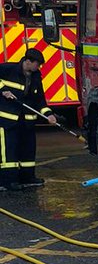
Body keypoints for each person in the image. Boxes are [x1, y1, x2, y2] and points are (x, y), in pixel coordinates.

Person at [0, 48, 58, 190]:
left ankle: (27, 177)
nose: (39, 67)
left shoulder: (36, 76)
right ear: (28, 61)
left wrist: (49, 114)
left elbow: (40, 100)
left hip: (27, 121)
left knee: (27, 150)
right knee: (9, 151)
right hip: (8, 120)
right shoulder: (9, 69)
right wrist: (2, 89)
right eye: (37, 64)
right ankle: (8, 181)